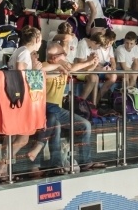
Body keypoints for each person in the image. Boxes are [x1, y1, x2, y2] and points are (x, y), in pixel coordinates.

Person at [42, 41, 103, 173]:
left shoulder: (64, 66)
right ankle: (56, 166)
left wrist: (92, 62)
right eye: (63, 54)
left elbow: (81, 69)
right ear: (54, 57)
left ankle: (85, 162)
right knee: (57, 126)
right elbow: (44, 69)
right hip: (45, 109)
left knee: (84, 125)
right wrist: (85, 62)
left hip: (57, 110)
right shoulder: (45, 65)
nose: (66, 56)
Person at [0, 26, 44, 180]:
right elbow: (21, 75)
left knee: (12, 137)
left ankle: (4, 170)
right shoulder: (24, 53)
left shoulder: (19, 51)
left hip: (17, 99)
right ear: (37, 39)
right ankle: (1, 168)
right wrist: (36, 70)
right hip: (23, 101)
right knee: (23, 139)